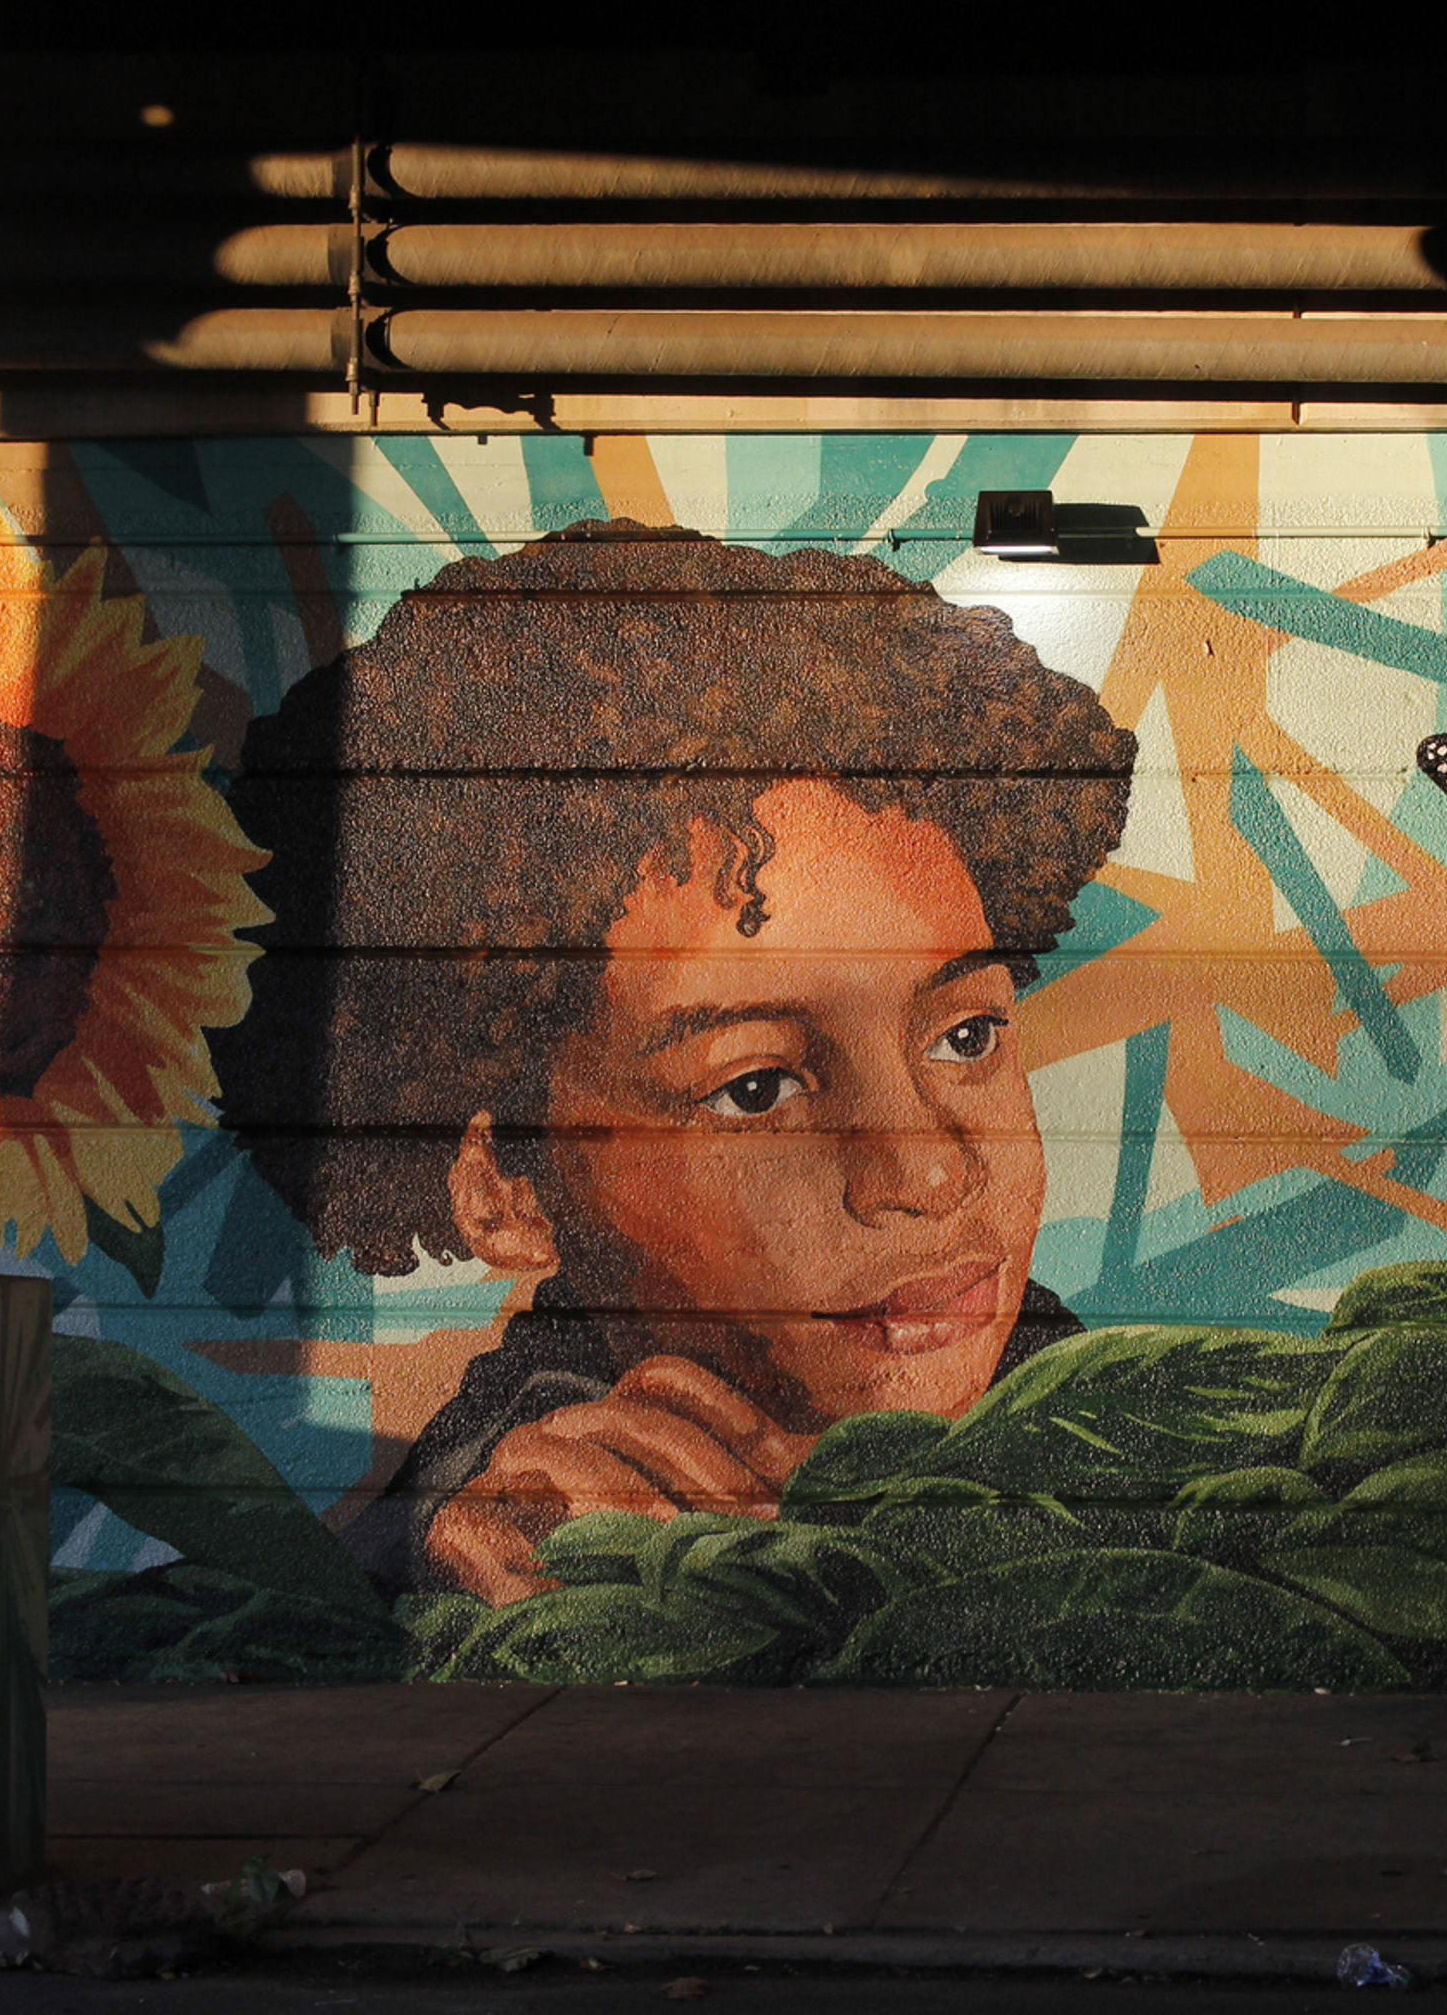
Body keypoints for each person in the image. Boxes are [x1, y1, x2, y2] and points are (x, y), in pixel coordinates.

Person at [217, 520, 1136, 1605]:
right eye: (756, 1088)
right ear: (503, 1189)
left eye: (965, 1037)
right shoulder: (460, 1574)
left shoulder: (1164, 1451)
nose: (930, 1171)